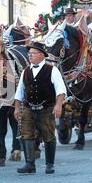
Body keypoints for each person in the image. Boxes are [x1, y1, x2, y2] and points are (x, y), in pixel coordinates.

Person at [14, 42, 67, 174]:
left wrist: (58, 105)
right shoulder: (25, 71)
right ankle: (29, 164)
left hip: (46, 108)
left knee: (48, 135)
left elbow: (61, 90)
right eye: (29, 53)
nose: (29, 55)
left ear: (41, 55)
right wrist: (16, 108)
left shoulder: (52, 70)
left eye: (33, 53)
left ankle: (50, 164)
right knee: (26, 135)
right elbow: (19, 92)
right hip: (28, 108)